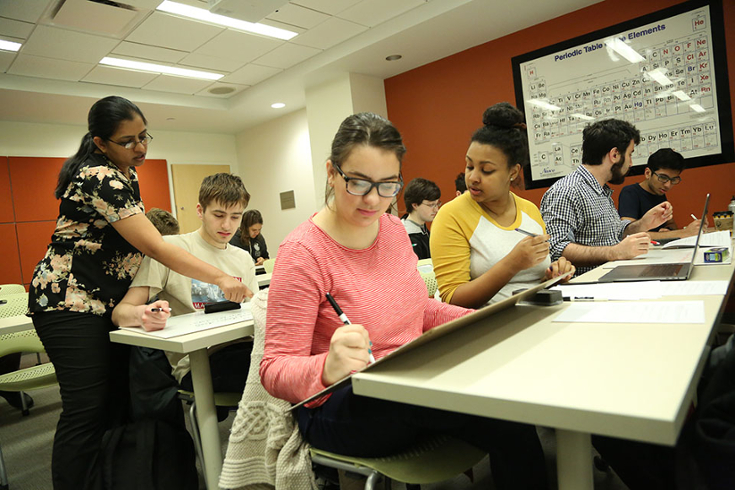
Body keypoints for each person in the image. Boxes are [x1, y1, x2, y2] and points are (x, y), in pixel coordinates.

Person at [260, 112, 549, 490]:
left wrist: (487, 320)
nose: (372, 200)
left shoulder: (394, 230)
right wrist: (326, 368)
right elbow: (274, 369)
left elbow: (421, 308)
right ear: (331, 172)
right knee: (494, 409)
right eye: (358, 182)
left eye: (387, 186)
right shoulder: (303, 253)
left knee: (506, 408)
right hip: (340, 403)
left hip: (404, 378)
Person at [27, 96, 252, 490]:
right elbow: (157, 246)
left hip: (103, 302)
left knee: (114, 405)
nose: (141, 147)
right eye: (127, 141)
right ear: (100, 142)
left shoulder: (125, 173)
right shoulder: (100, 176)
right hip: (69, 300)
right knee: (86, 411)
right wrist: (219, 277)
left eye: (144, 136)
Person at [112, 173, 258, 396]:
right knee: (278, 377)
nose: (227, 225)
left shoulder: (243, 258)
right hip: (199, 361)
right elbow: (120, 313)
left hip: (245, 349)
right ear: (200, 211)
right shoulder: (170, 249)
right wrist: (144, 314)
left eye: (236, 217)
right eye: (218, 215)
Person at [431, 102, 574, 308]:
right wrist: (512, 263)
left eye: (486, 170)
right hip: (483, 325)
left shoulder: (530, 211)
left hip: (532, 313)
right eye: (469, 166)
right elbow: (453, 297)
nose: (472, 178)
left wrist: (554, 274)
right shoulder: (451, 215)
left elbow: (532, 282)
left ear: (513, 172)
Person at [540, 118, 673, 275]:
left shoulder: (601, 190)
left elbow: (614, 235)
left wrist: (643, 224)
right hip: (588, 287)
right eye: (630, 154)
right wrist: (614, 253)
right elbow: (556, 249)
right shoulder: (566, 191)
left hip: (612, 276)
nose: (630, 163)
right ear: (615, 154)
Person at [618, 148, 701, 240]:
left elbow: (671, 223)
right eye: (663, 177)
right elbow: (629, 234)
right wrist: (684, 233)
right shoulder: (630, 192)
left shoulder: (659, 192)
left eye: (673, 180)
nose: (668, 185)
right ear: (648, 173)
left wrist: (667, 230)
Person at [401, 177, 441, 260]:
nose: (436, 209)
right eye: (431, 205)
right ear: (415, 205)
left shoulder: (422, 228)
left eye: (437, 204)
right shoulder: (407, 237)